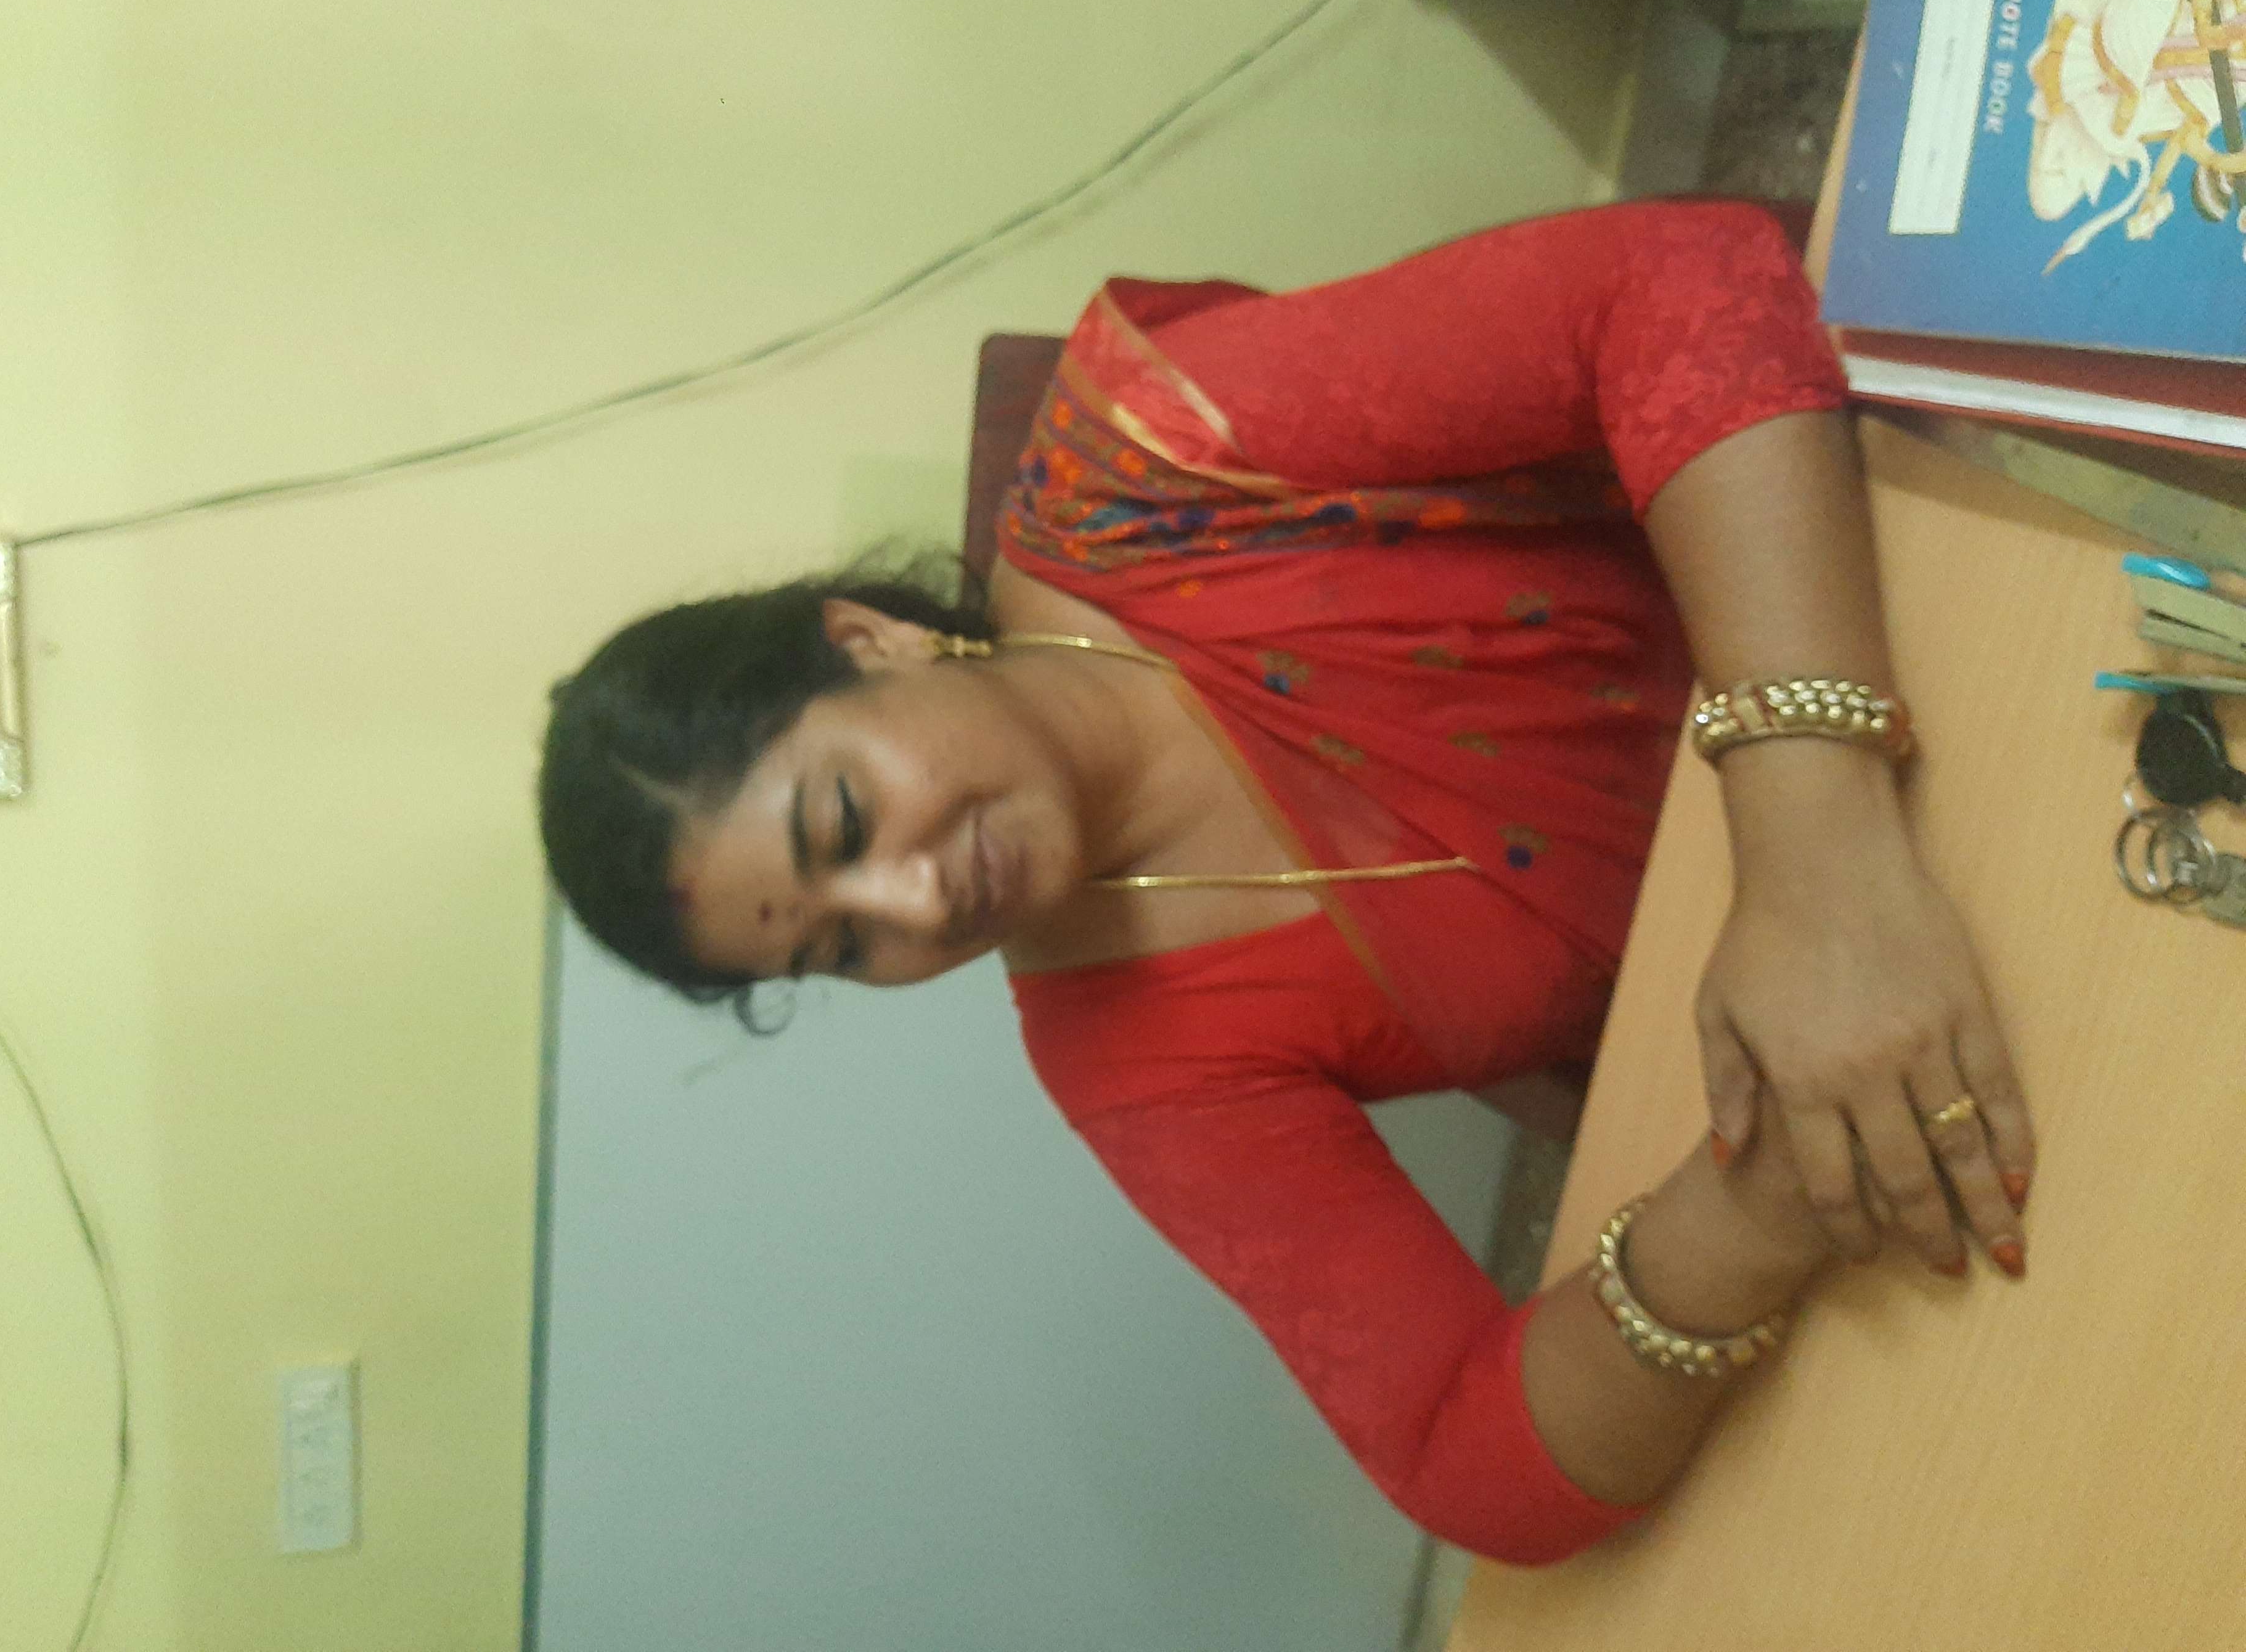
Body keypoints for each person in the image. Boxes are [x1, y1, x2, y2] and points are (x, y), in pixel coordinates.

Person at [538, 198, 2038, 1565]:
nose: (913, 908)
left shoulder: (1150, 467)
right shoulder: (1129, 1051)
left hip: (1968, 633)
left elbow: (1677, 282)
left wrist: (1813, 855)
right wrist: (1770, 1196)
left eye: (843, 823)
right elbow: (1467, 1461)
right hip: (1922, 1037)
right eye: (840, 950)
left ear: (870, 641)